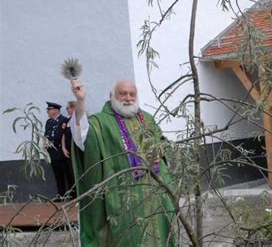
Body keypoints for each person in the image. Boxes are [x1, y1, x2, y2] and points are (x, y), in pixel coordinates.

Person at [70, 77, 176, 246]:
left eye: (132, 94)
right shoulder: (101, 123)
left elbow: (161, 150)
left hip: (154, 198)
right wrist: (80, 101)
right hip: (122, 203)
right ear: (112, 95)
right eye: (123, 94)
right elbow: (82, 138)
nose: (128, 98)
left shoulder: (147, 119)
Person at [44, 101, 70, 197]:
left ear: (55, 110)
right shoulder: (49, 122)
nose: (47, 112)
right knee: (57, 175)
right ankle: (61, 195)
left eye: (49, 110)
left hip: (61, 151)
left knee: (67, 174)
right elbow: (46, 134)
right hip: (52, 152)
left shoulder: (64, 120)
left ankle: (72, 194)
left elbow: (62, 134)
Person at [60, 101, 77, 199]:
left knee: (76, 172)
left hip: (76, 151)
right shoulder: (67, 121)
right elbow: (63, 135)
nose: (66, 110)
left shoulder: (78, 120)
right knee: (70, 173)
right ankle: (73, 194)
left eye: (68, 108)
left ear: (73, 108)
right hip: (67, 151)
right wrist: (63, 148)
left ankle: (80, 194)